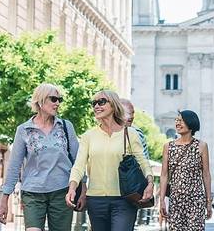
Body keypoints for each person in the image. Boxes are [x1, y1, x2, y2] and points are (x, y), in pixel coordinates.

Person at [0, 83, 84, 231]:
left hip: (62, 191)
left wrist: (83, 191)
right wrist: (4, 199)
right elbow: (14, 166)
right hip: (33, 193)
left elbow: (79, 162)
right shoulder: (24, 130)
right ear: (40, 100)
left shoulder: (65, 126)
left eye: (59, 100)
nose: (57, 103)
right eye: (53, 99)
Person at [66, 90, 154, 231]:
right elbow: (78, 165)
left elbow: (143, 162)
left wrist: (150, 183)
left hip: (125, 199)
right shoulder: (89, 136)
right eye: (94, 103)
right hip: (95, 201)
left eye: (101, 102)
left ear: (113, 105)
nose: (96, 106)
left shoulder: (130, 134)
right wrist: (72, 188)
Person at [159, 110, 212, 230]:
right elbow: (164, 175)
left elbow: (206, 174)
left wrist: (208, 202)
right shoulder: (168, 147)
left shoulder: (201, 146)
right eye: (176, 120)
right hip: (176, 200)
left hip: (196, 200)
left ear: (191, 123)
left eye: (181, 120)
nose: (177, 123)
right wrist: (162, 200)